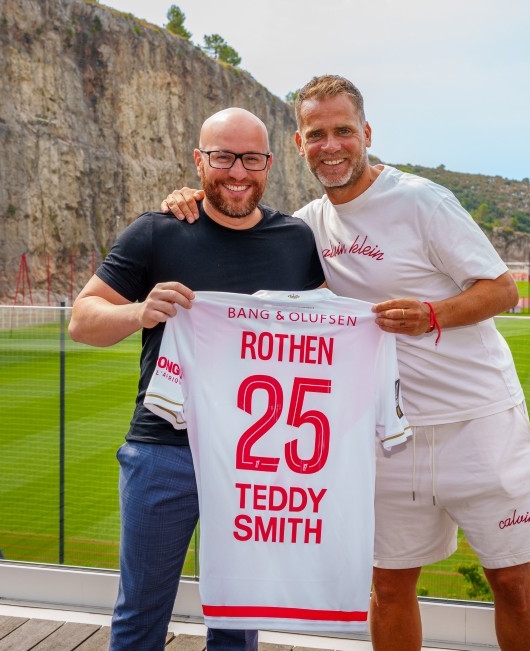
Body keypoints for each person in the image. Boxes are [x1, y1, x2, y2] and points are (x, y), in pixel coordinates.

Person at [162, 75, 530, 651]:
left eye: (343, 130)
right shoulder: (305, 226)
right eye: (317, 134)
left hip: (478, 422)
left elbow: (503, 289)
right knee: (389, 588)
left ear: (366, 133)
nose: (332, 145)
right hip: (387, 437)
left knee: (513, 581)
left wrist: (432, 315)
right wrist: (191, 200)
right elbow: (239, 229)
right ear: (299, 144)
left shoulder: (422, 201)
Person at [70, 107, 325, 651]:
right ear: (199, 160)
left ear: (270, 164)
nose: (237, 172)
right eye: (223, 157)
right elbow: (82, 320)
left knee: (238, 621)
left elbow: (326, 331)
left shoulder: (296, 240)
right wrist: (139, 311)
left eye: (250, 159)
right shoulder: (156, 232)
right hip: (165, 450)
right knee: (141, 614)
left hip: (256, 458)